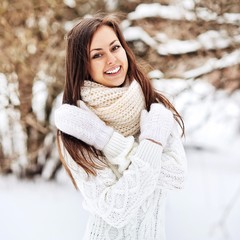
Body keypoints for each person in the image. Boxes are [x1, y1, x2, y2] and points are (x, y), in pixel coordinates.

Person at [54, 12, 187, 240]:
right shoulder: (79, 127)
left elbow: (176, 176)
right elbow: (116, 210)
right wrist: (152, 144)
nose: (111, 59)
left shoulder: (153, 109)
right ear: (82, 66)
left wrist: (113, 144)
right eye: (97, 55)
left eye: (115, 48)